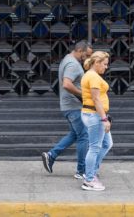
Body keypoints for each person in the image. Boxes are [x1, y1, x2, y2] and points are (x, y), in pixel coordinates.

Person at [41, 40, 92, 179]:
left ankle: (51, 155)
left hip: (69, 106)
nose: (87, 59)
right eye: (86, 55)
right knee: (84, 136)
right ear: (80, 50)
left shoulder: (67, 60)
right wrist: (84, 95)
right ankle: (81, 171)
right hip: (74, 106)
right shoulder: (73, 64)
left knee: (75, 135)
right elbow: (67, 84)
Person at [80, 50, 112, 191]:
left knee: (107, 143)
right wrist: (104, 118)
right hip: (95, 116)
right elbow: (96, 99)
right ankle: (89, 179)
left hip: (94, 114)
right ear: (97, 63)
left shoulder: (92, 75)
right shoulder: (92, 77)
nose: (106, 67)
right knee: (95, 147)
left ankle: (91, 171)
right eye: (104, 64)